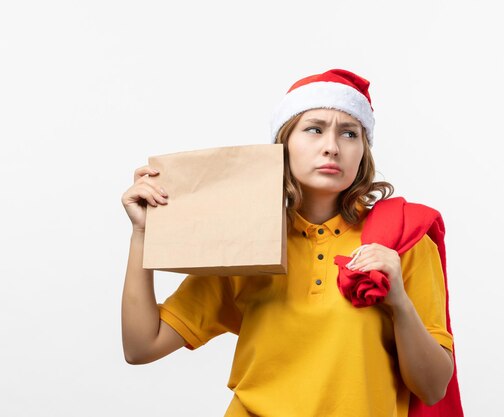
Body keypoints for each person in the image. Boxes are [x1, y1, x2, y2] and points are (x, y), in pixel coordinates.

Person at [121, 69, 459, 417]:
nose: (331, 146)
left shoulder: (403, 240)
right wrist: (142, 234)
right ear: (284, 145)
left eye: (349, 133)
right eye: (314, 129)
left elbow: (432, 389)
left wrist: (399, 302)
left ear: (363, 152)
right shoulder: (247, 237)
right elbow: (141, 346)